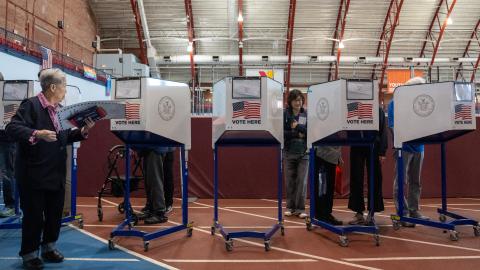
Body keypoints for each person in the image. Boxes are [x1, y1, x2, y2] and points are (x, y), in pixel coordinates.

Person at [6, 68, 95, 270]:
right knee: (34, 216)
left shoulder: (60, 110)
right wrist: (37, 133)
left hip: (55, 172)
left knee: (55, 213)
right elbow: (12, 128)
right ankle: (29, 254)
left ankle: (48, 247)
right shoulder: (31, 105)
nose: (65, 90)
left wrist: (82, 132)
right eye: (63, 85)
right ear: (53, 87)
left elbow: (63, 137)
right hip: (33, 173)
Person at [388, 76, 429, 226]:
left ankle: (414, 210)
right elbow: (392, 126)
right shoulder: (394, 103)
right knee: (401, 181)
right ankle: (402, 212)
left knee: (416, 181)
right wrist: (401, 141)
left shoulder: (419, 104)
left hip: (419, 147)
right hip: (403, 148)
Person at [348, 107, 388, 225]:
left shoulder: (378, 109)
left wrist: (382, 152)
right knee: (356, 178)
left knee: (375, 178)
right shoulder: (352, 106)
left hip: (373, 145)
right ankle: (358, 213)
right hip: (356, 144)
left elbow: (383, 131)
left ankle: (372, 212)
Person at [283, 89, 308, 219]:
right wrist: (295, 133)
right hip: (288, 152)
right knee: (290, 181)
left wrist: (297, 127)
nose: (298, 102)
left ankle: (300, 208)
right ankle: (290, 207)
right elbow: (282, 133)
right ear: (290, 102)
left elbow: (310, 131)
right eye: (295, 100)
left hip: (304, 153)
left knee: (302, 181)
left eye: (300, 100)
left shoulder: (306, 114)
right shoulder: (285, 115)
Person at [137, 147, 170, 224]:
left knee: (155, 181)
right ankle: (150, 209)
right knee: (149, 182)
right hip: (148, 148)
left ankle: (159, 212)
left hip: (155, 149)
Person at [0, 72, 17, 218]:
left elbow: (9, 123)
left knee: (7, 173)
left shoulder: (9, 99)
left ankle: (10, 205)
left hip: (7, 141)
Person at [314, 146, 343, 225]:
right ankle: (321, 214)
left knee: (329, 187)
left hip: (332, 156)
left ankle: (325, 214)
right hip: (321, 154)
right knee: (322, 186)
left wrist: (339, 157)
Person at [162, 148, 175, 215]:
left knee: (168, 178)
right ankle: (151, 204)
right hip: (156, 151)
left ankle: (168, 204)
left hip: (168, 151)